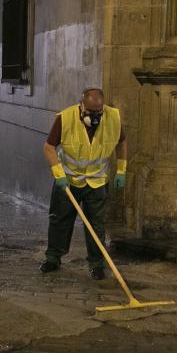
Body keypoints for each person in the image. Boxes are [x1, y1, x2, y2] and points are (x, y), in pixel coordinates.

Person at [40, 88, 127, 280]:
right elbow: (48, 147)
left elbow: (121, 142)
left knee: (96, 225)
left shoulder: (113, 117)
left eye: (98, 112)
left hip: (97, 181)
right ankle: (53, 258)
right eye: (90, 112)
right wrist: (58, 174)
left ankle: (97, 264)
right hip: (69, 180)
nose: (94, 116)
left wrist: (121, 170)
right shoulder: (65, 118)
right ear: (81, 106)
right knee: (60, 220)